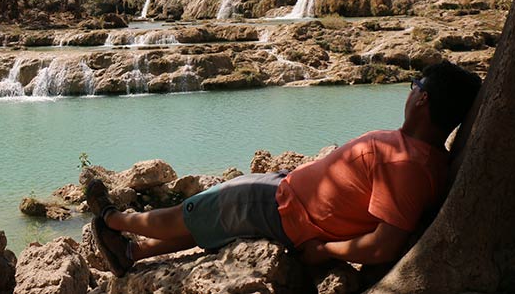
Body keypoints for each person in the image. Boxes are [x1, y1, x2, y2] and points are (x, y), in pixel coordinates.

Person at [86, 61, 482, 277]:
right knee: (207, 224)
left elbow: (384, 245)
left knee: (189, 212)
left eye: (414, 84)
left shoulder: (406, 164)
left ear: (423, 99)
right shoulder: (424, 155)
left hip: (283, 210)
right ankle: (131, 253)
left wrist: (324, 250)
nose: (409, 90)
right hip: (284, 193)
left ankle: (115, 219)